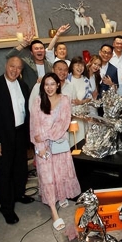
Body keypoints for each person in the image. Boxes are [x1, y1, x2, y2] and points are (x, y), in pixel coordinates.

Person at [0, 56, 34, 225]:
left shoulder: (23, 85)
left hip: (20, 133)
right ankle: (6, 207)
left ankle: (19, 194)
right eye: (12, 66)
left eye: (18, 68)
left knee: (20, 168)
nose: (15, 70)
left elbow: (27, 111)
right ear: (6, 66)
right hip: (2, 137)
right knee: (4, 173)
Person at [30, 73, 81, 230]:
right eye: (46, 84)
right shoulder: (38, 101)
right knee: (47, 178)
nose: (49, 87)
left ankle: (61, 195)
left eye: (53, 84)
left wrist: (44, 136)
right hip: (42, 147)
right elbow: (34, 126)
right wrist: (40, 145)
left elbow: (63, 123)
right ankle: (53, 210)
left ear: (58, 85)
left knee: (60, 173)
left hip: (58, 142)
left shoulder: (65, 100)